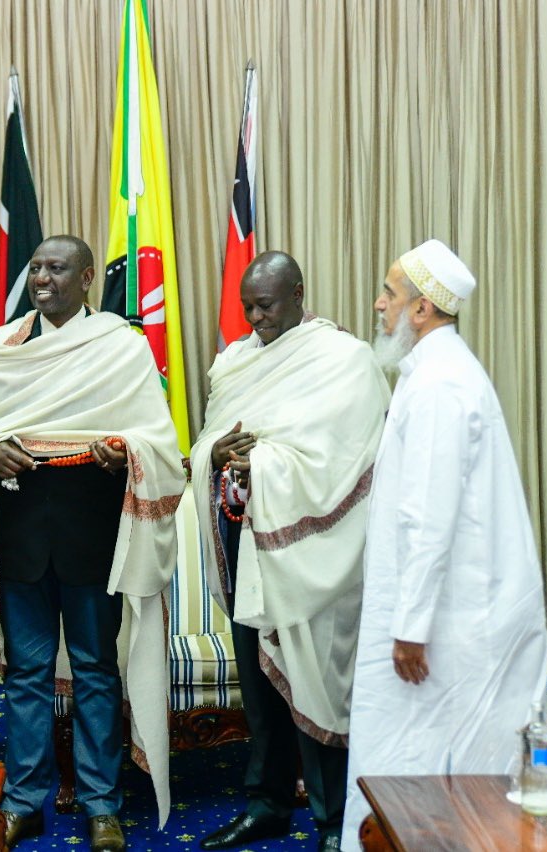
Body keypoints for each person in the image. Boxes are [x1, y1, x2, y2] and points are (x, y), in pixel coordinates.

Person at [0, 235, 185, 852]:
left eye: (56, 269)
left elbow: (158, 441)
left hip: (93, 537)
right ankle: (25, 801)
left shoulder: (120, 347)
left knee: (95, 671)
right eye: (35, 268)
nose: (40, 278)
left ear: (87, 279)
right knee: (26, 674)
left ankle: (102, 807)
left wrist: (122, 454)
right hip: (22, 537)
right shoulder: (1, 349)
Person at [340, 239, 547, 849]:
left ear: (423, 309)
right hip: (451, 616)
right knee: (428, 759)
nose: (379, 305)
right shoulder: (434, 372)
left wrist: (410, 625)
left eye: (390, 294)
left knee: (429, 762)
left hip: (448, 626)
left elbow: (427, 518)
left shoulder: (439, 385)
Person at [190, 251, 390, 852]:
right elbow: (207, 445)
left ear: (299, 293)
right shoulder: (234, 362)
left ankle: (334, 820)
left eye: (267, 305)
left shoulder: (344, 361)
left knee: (313, 678)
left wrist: (266, 464)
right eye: (247, 306)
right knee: (257, 681)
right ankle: (268, 804)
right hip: (245, 540)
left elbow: (348, 460)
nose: (255, 318)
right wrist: (216, 453)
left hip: (316, 551)